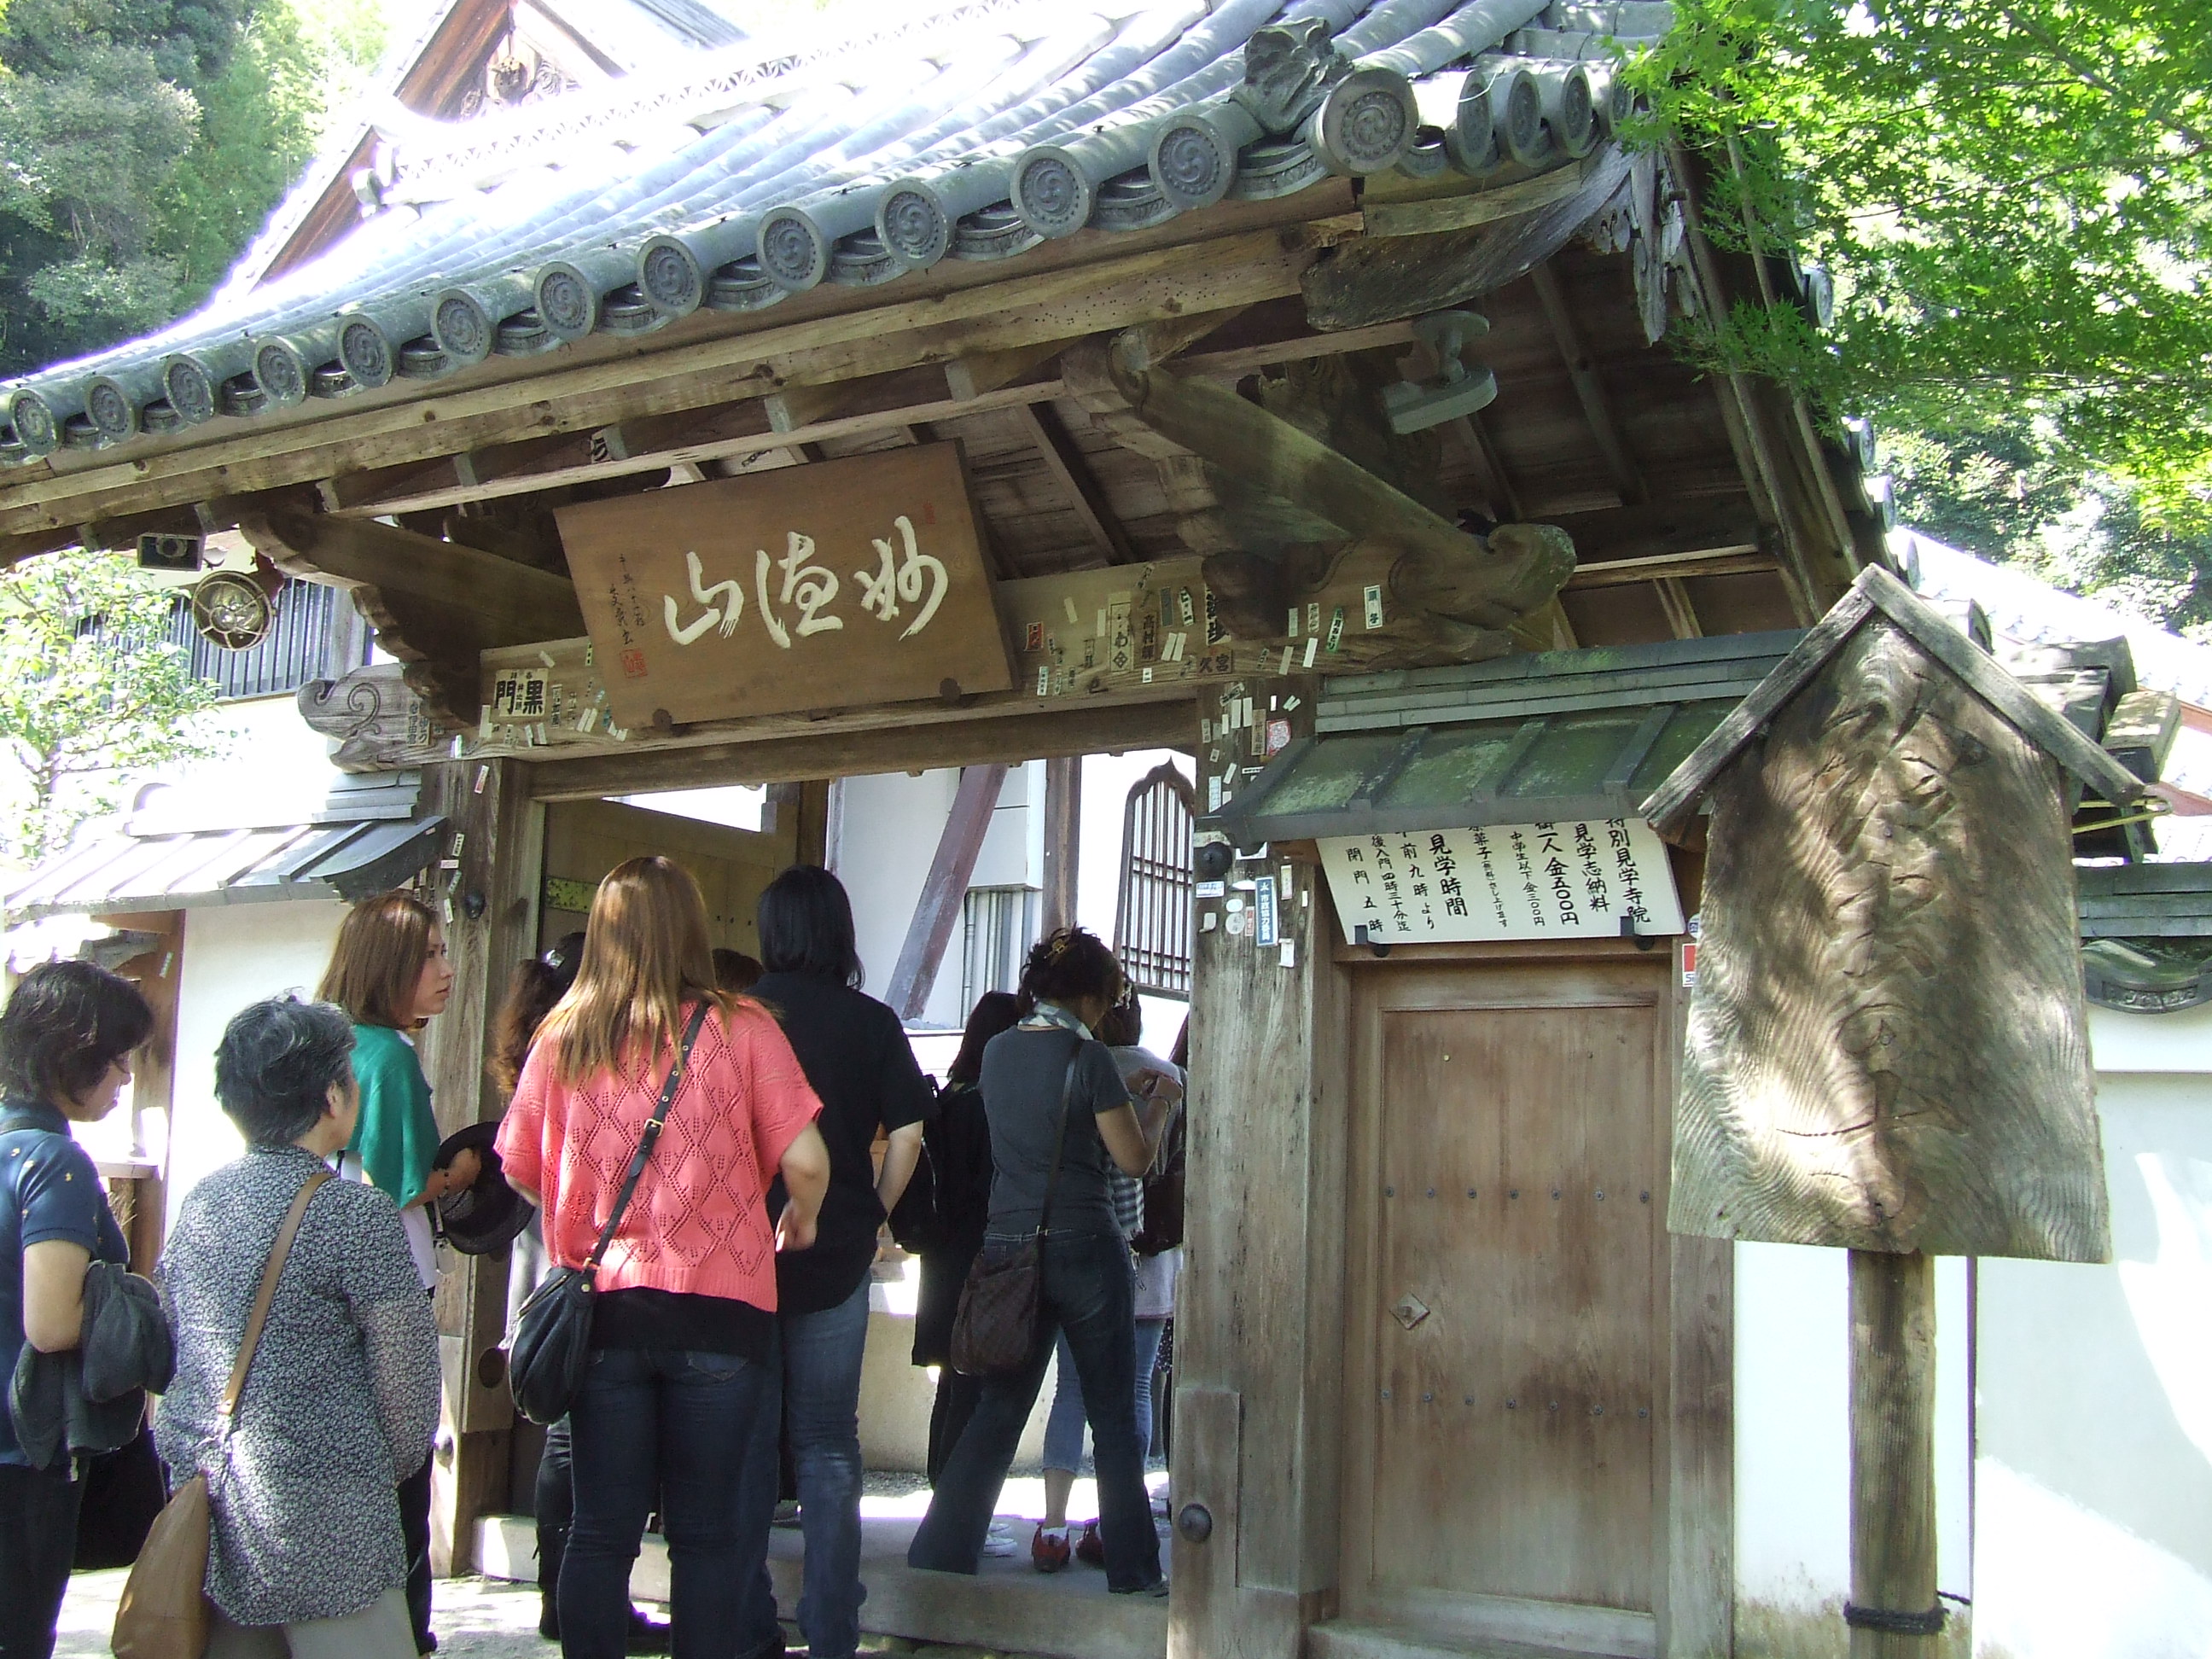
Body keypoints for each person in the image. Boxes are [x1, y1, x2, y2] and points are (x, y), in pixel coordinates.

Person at [497, 856, 832, 1659]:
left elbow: (517, 1166)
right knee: (710, 1537)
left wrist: (585, 1222)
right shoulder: (746, 1027)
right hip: (722, 1315)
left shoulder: (563, 1037)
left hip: (607, 1312)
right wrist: (802, 1225)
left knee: (600, 1534)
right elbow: (810, 1161)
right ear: (690, 929)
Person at [155, 996, 442, 1659]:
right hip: (331, 1516)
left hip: (217, 1505)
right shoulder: (355, 1215)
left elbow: (180, 1348)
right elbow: (409, 1396)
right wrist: (368, 1471)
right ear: (332, 1097)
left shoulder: (204, 1201)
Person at [906, 928, 1175, 1598]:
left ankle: (941, 1552)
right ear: (1088, 995)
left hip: (1009, 1249)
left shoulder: (995, 1053)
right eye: (1104, 998)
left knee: (998, 1408)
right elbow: (1134, 1158)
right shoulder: (1086, 1060)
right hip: (1088, 1247)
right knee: (1112, 1416)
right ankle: (1133, 1569)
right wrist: (1161, 1103)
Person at [748, 866, 937, 1659]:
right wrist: (876, 1209)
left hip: (742, 1257)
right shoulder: (871, 1021)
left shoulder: (736, 1017)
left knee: (746, 1440)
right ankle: (831, 1630)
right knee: (829, 1443)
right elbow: (910, 1130)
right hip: (835, 1251)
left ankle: (749, 1622)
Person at [493, 936, 669, 1652]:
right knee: (576, 1450)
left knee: (563, 1445)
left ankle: (558, 1597)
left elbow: (520, 1169)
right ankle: (574, 1602)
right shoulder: (577, 1045)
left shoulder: (550, 1043)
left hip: (550, 1266)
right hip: (577, 1272)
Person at [317, 891, 474, 1656]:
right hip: (390, 1282)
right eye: (432, 955)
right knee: (405, 1461)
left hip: (316, 1282)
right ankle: (406, 1631)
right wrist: (462, 1173)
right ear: (389, 968)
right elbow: (402, 1184)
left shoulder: (324, 1043)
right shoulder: (388, 1057)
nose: (447, 970)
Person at [0, 960, 154, 1659]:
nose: (124, 1078)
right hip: (23, 1447)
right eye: (118, 1060)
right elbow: (53, 1322)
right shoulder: (54, 1163)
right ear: (73, 1055)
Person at [1033, 987, 1184, 1569]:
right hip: (1154, 1254)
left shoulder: (1079, 1069)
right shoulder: (1172, 1076)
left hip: (1089, 1241)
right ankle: (1112, 1519)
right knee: (1137, 1387)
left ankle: (1051, 1526)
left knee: (1072, 1390)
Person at [907, 992, 1022, 1487]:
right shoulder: (988, 1105)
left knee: (954, 1384)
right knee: (972, 1385)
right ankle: (954, 1508)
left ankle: (943, 1493)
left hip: (942, 1255)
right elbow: (986, 1189)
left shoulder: (951, 1095)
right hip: (977, 1258)